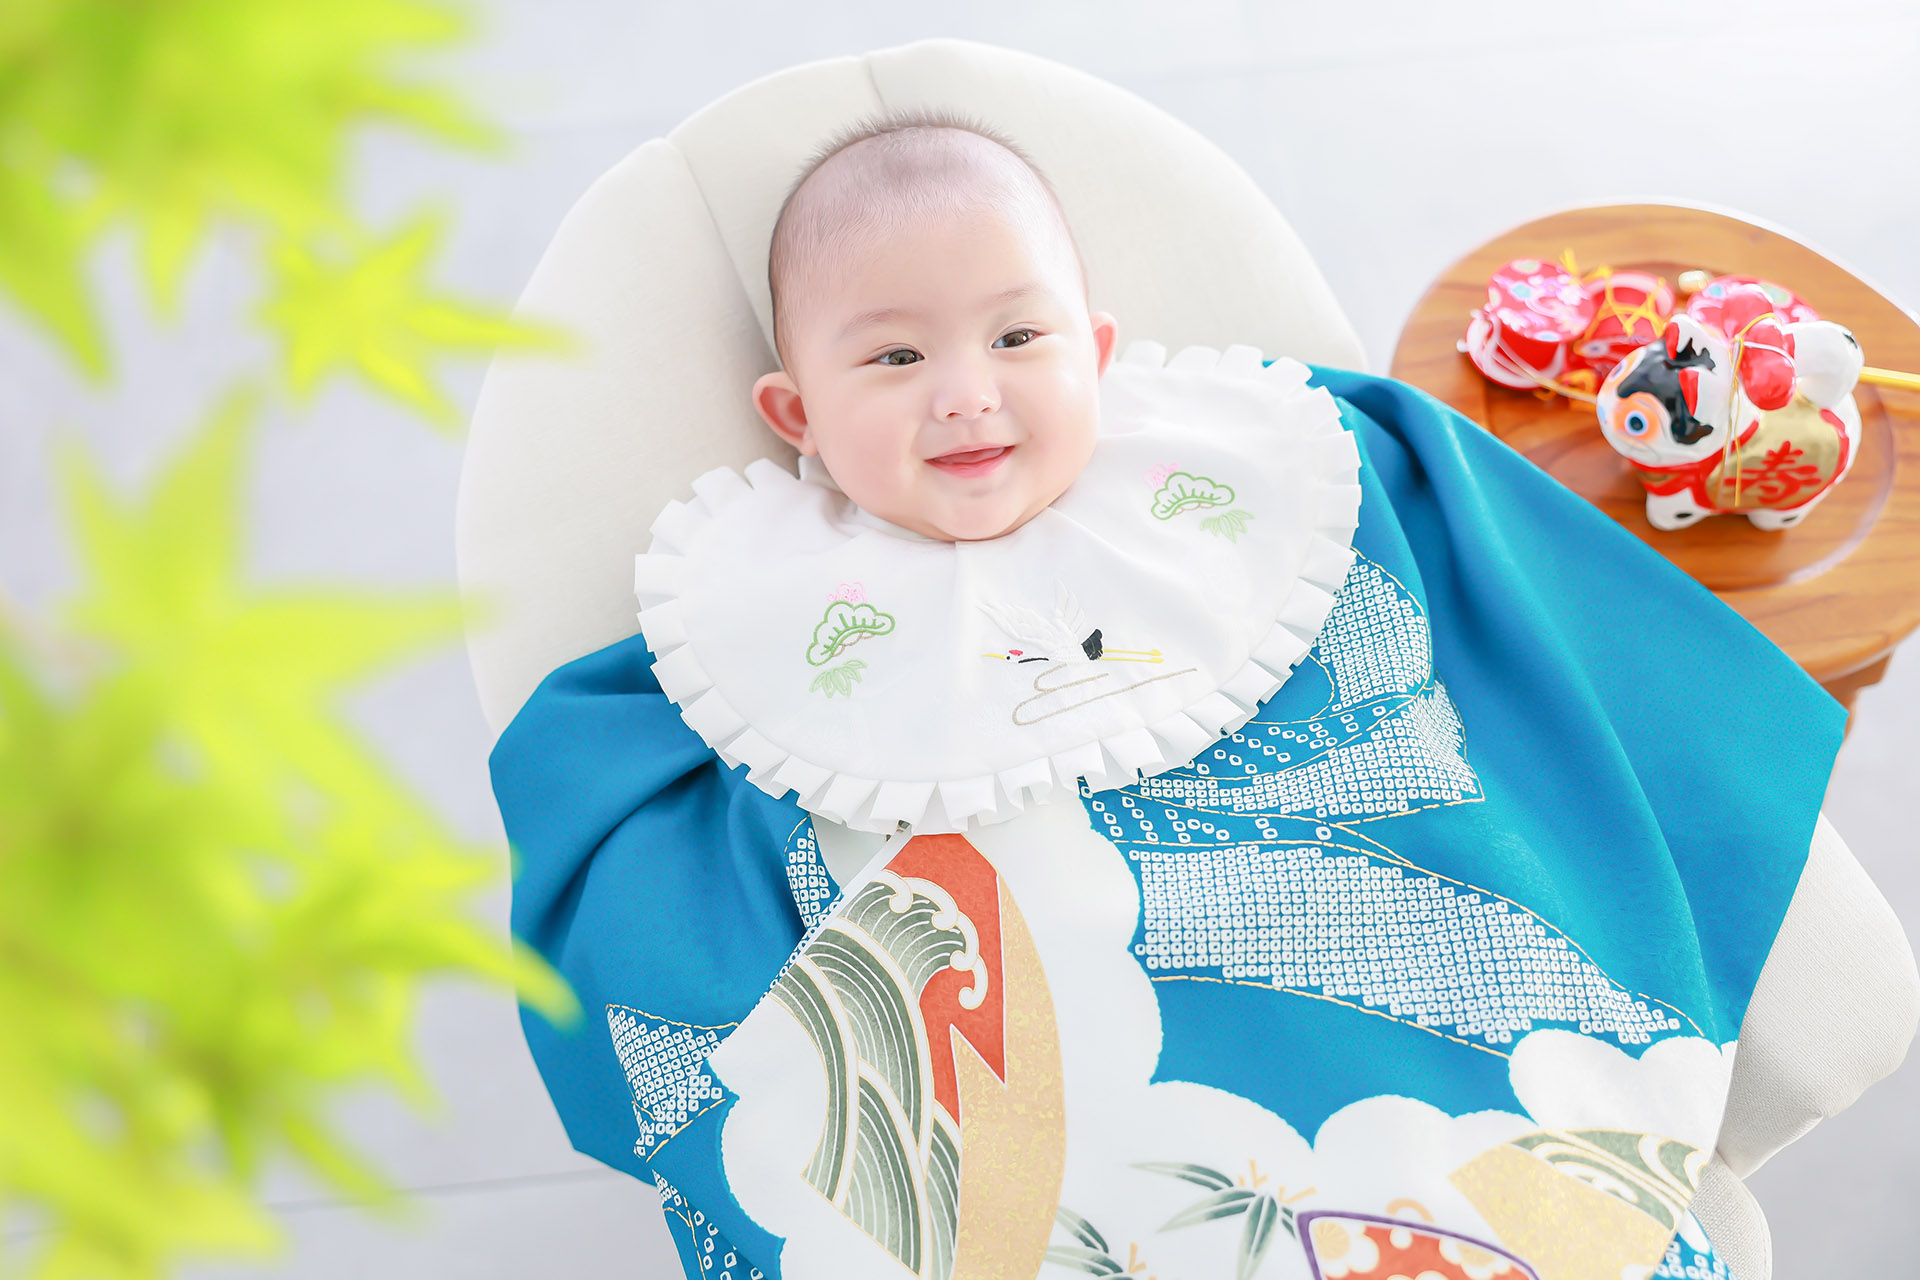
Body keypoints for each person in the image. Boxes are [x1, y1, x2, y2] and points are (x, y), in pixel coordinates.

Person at [491, 109, 1914, 1280]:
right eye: (896, 356)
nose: (967, 394)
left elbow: (1470, 613)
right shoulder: (752, 632)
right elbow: (645, 863)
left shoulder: (1262, 481)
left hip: (1351, 1009)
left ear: (1098, 351)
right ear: (796, 412)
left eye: (1019, 338)